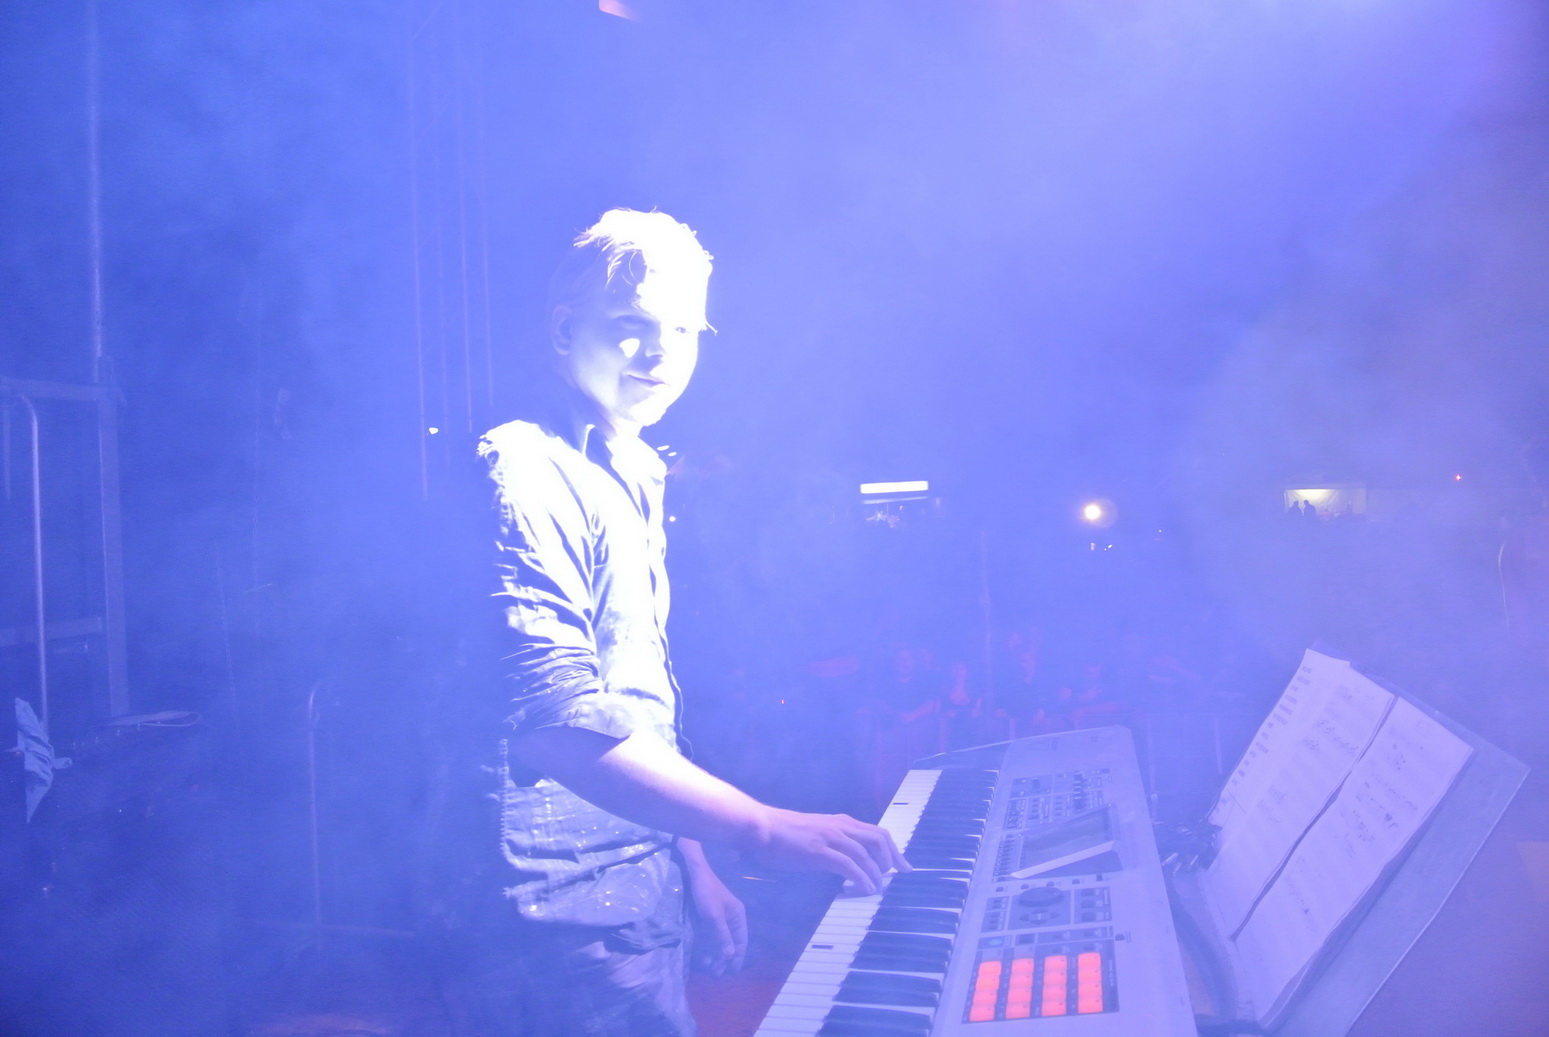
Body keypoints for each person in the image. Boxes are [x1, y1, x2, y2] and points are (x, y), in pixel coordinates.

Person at [440, 210, 905, 1037]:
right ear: (563, 330)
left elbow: (629, 707)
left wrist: (691, 861)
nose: (661, 352)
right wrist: (762, 827)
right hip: (560, 919)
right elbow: (554, 722)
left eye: (684, 329)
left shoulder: (632, 467)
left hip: (635, 887)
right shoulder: (526, 468)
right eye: (631, 324)